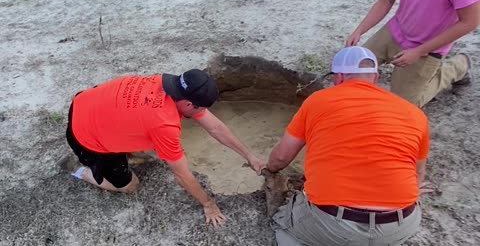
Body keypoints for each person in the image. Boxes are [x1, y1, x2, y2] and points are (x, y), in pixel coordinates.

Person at [266, 46, 430, 245]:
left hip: (334, 224)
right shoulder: (414, 113)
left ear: (340, 77)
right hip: (401, 224)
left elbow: (282, 157)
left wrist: (270, 169)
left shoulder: (317, 101)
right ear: (375, 78)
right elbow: (417, 172)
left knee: (283, 223)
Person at [62, 69, 264, 227]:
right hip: (85, 136)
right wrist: (208, 204)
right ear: (188, 103)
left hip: (85, 101)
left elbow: (216, 127)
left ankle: (121, 150)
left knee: (138, 133)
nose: (204, 113)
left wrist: (250, 156)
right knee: (129, 186)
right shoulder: (164, 125)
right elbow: (182, 175)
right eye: (201, 108)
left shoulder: (167, 84)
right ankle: (80, 170)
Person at [346, 0, 480, 108]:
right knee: (350, 71)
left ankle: (457, 67)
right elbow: (386, 0)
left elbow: (470, 22)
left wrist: (419, 51)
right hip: (395, 30)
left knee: (404, 107)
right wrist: (360, 30)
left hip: (427, 47)